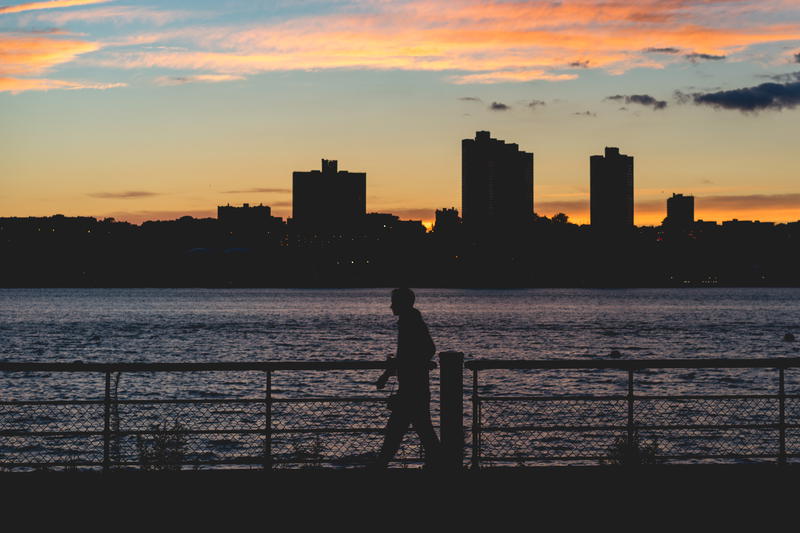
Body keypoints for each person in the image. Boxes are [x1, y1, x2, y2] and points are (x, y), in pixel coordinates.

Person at [373, 287, 441, 468]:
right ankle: (439, 463)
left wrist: (387, 374)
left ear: (402, 303)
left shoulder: (408, 322)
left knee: (398, 430)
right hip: (416, 386)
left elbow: (408, 355)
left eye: (394, 302)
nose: (390, 306)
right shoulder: (413, 320)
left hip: (411, 387)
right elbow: (425, 350)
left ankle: (381, 464)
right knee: (420, 429)